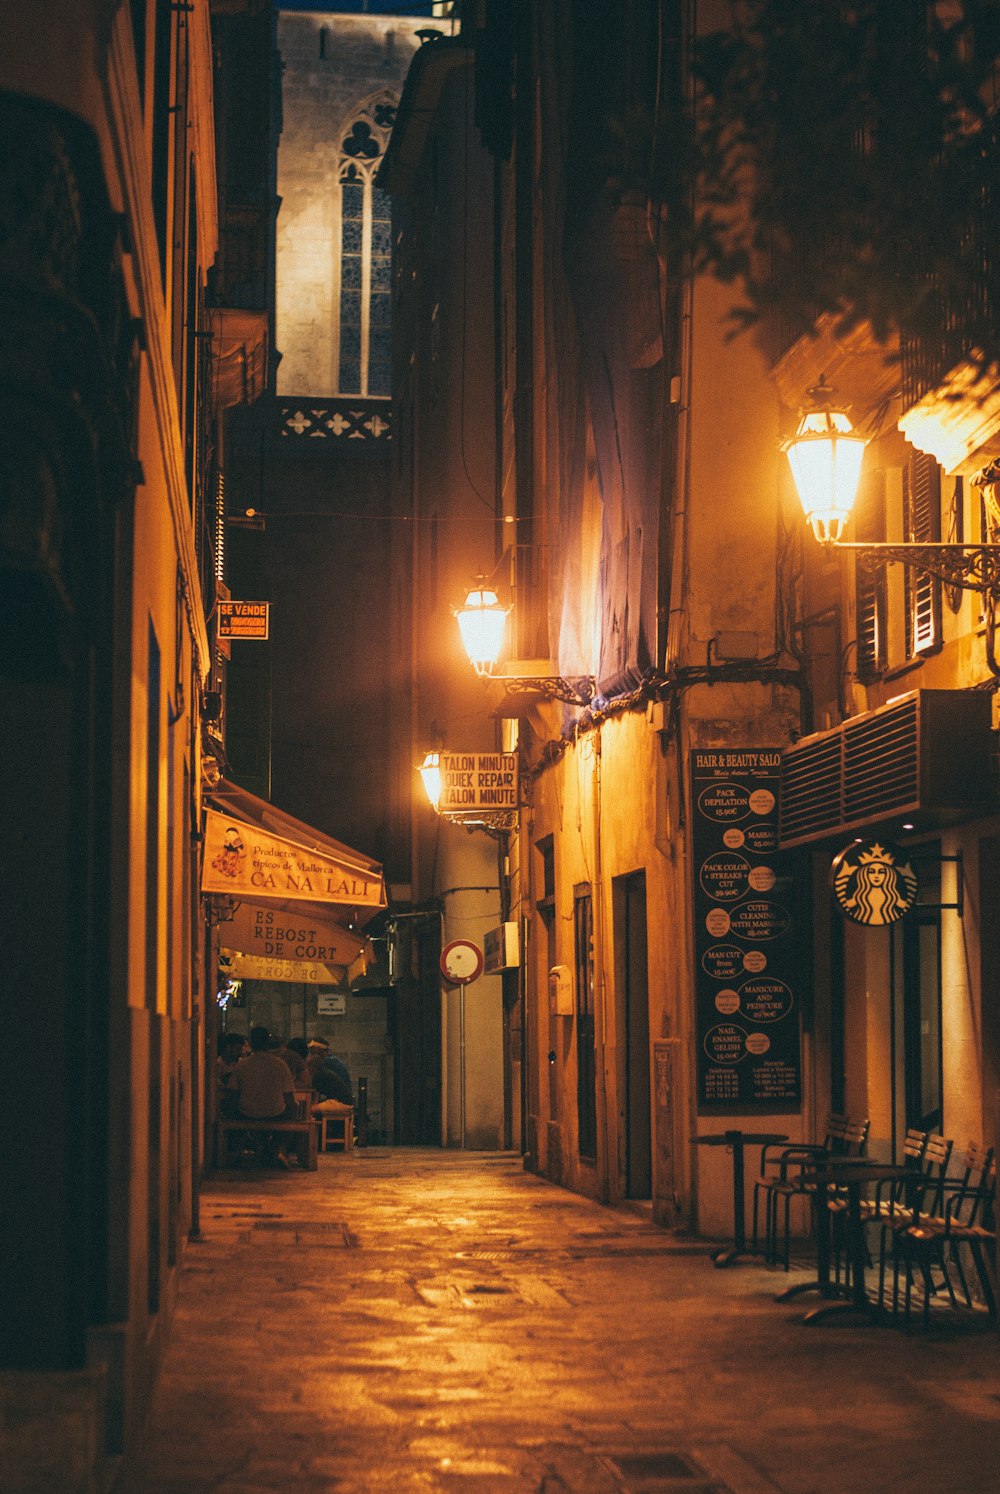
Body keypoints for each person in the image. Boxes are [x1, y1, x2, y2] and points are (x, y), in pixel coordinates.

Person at [232, 1025, 297, 1167]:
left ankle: (252, 1148)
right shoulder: (280, 1065)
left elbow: (233, 1094)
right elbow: (289, 1097)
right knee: (292, 1115)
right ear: (267, 1043)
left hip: (247, 1112)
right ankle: (276, 1148)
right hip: (275, 1112)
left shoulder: (241, 1065)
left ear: (251, 1043)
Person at [306, 1037, 353, 1104]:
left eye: (311, 1051)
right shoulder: (332, 1060)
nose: (310, 1054)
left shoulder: (328, 1061)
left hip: (340, 1102)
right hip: (340, 1099)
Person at [216, 1031, 248, 1119]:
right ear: (228, 1048)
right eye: (237, 1049)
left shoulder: (241, 1064)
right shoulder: (217, 1066)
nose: (240, 1053)